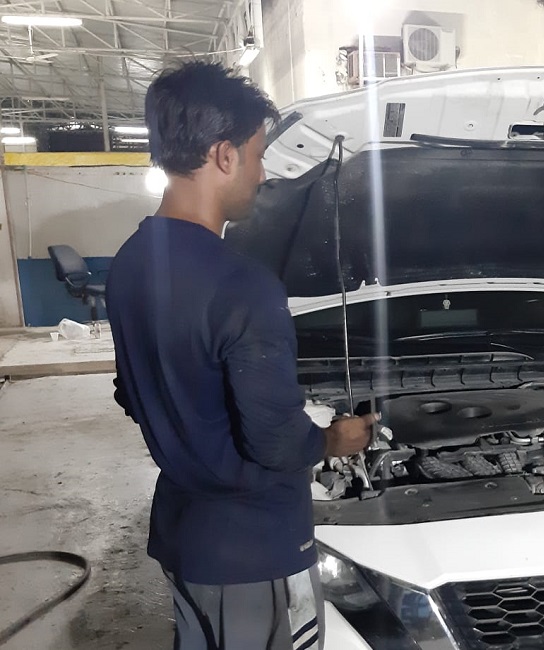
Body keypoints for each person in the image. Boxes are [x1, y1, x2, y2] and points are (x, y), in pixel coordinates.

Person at [106, 61, 373, 650]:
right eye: (257, 155)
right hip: (255, 550)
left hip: (184, 531)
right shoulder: (243, 285)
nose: (261, 173)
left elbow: (132, 392)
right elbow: (276, 443)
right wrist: (336, 439)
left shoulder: (128, 263)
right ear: (224, 156)